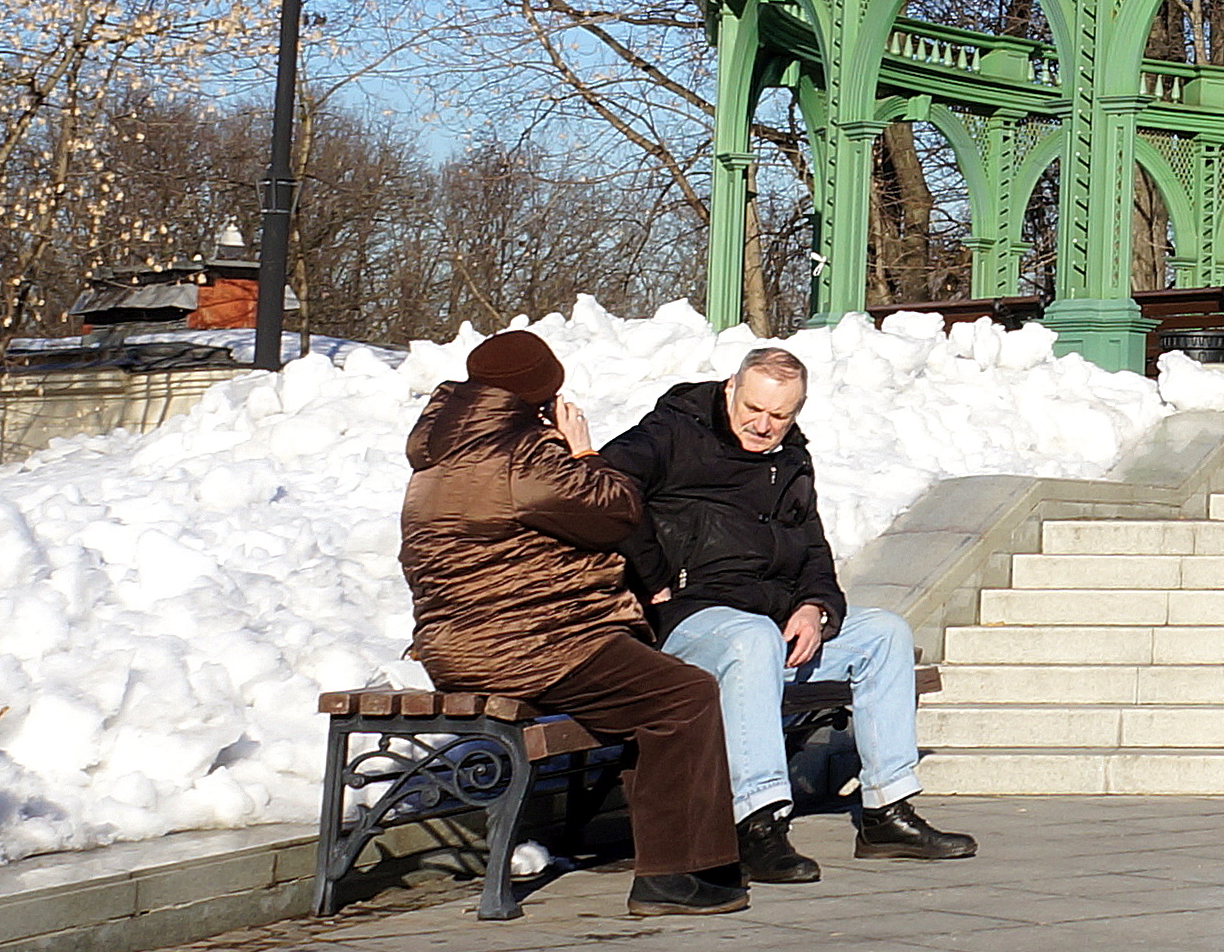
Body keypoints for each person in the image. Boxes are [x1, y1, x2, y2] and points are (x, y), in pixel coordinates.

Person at [398, 329, 744, 917]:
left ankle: (671, 861)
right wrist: (582, 449)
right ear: (539, 395)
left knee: (650, 694)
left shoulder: (439, 459)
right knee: (683, 695)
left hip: (463, 647)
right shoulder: (522, 457)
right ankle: (674, 874)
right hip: (532, 645)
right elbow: (616, 512)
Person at [599, 344, 975, 882]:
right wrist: (653, 572)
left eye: (780, 415)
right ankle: (758, 823)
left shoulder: (791, 457)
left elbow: (813, 547)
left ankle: (887, 813)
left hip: (770, 622)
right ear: (731, 388)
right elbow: (606, 483)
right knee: (751, 638)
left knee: (884, 634)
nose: (763, 425)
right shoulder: (672, 432)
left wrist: (815, 606)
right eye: (754, 408)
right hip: (692, 623)